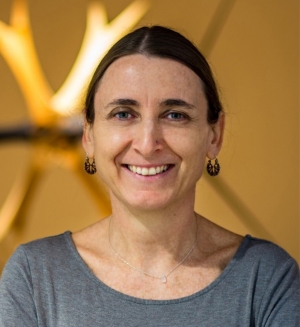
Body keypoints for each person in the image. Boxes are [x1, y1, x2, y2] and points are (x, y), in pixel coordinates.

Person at [0, 25, 299, 326]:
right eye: (123, 114)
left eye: (175, 115)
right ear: (88, 134)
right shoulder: (34, 277)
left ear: (214, 135)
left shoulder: (267, 279)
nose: (147, 144)